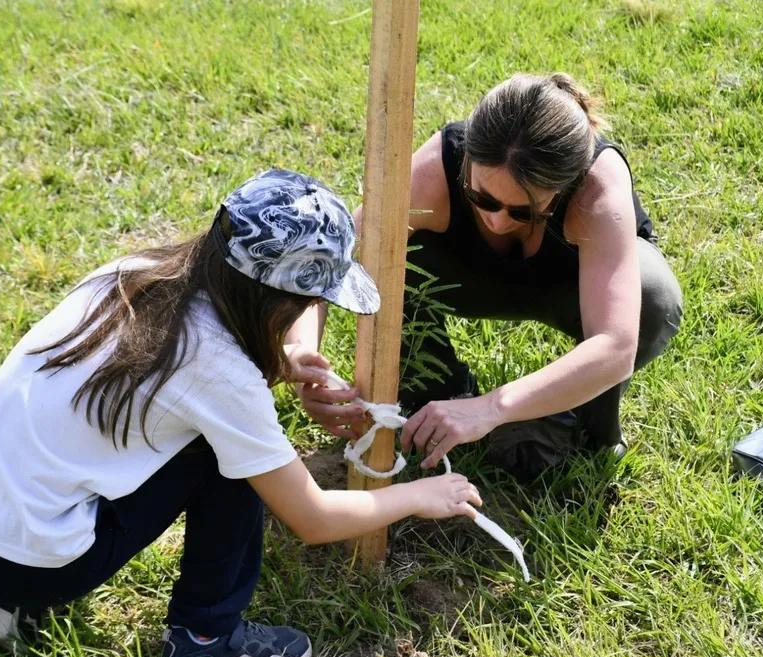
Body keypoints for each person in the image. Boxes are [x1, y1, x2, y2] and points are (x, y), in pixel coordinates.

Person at [0, 170, 484, 657]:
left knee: (211, 434)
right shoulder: (217, 373)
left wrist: (280, 363)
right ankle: (207, 640)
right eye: (305, 304)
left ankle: (0, 597)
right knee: (232, 456)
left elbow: (172, 381)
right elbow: (312, 519)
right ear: (274, 302)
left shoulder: (134, 274)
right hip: (31, 566)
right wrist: (420, 496)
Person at [291, 73, 683, 481]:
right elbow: (329, 263)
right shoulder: (437, 168)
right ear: (469, 157)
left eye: (524, 211)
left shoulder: (597, 187)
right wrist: (303, 357)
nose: (496, 221)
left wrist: (492, 407)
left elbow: (616, 345)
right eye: (482, 198)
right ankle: (434, 392)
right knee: (383, 248)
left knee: (651, 296)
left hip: (569, 289)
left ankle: (579, 421)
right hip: (464, 280)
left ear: (565, 185)